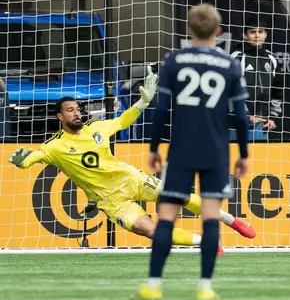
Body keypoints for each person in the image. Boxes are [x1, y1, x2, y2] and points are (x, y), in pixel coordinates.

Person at [8, 90, 255, 255]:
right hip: (110, 200)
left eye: (78, 109)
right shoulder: (54, 146)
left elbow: (123, 120)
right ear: (60, 116)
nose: (77, 113)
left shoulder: (97, 127)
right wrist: (22, 161)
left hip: (130, 179)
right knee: (149, 231)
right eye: (70, 110)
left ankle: (233, 222)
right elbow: (33, 158)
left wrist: (142, 102)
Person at [135, 4, 250, 300]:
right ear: (218, 32)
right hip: (215, 150)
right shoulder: (229, 65)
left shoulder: (174, 60)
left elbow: (162, 110)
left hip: (182, 148)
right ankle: (205, 287)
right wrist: (244, 153)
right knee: (211, 218)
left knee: (167, 217)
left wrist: (153, 148)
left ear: (188, 30)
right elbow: (239, 114)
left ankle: (153, 285)